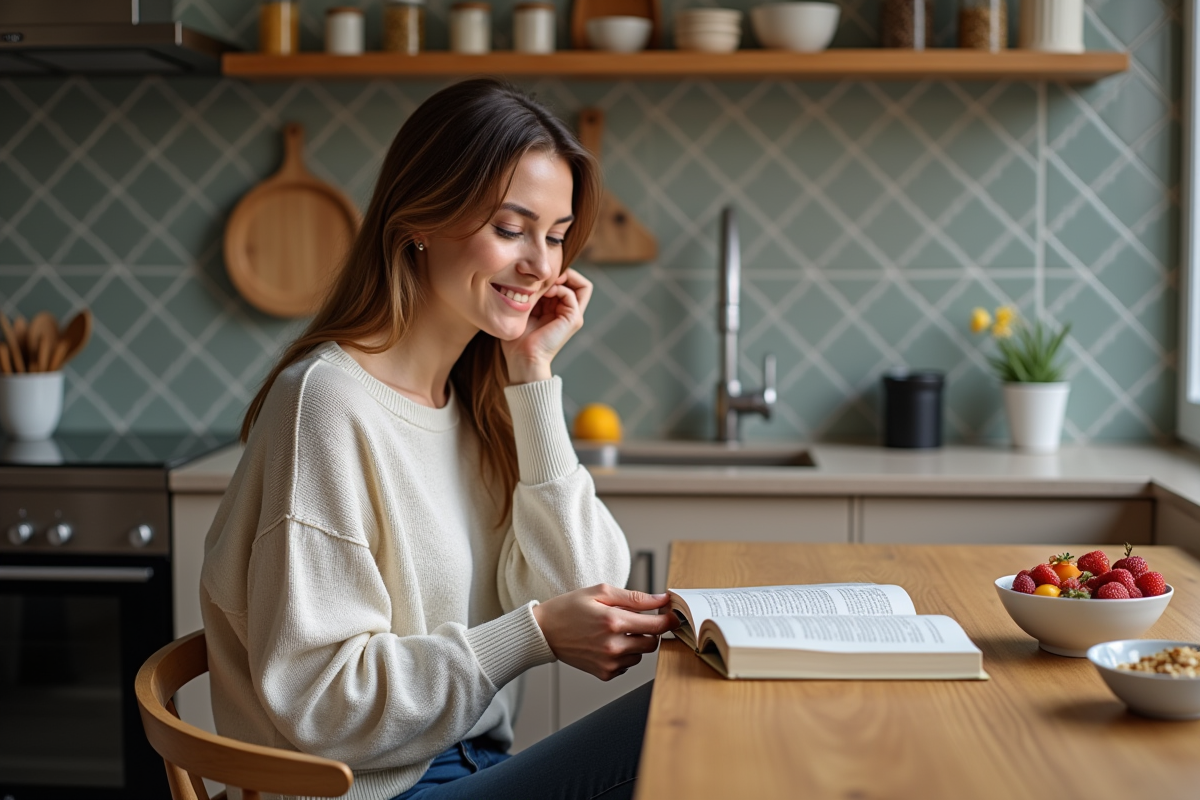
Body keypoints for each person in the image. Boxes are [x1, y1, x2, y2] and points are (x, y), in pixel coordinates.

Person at [199, 78, 679, 800]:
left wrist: (532, 373)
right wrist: (533, 634)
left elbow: (586, 590)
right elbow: (326, 701)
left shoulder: (476, 398)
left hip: (470, 766)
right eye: (511, 229)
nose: (542, 266)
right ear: (420, 219)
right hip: (370, 791)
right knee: (674, 725)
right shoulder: (327, 403)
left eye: (555, 237)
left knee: (692, 721)